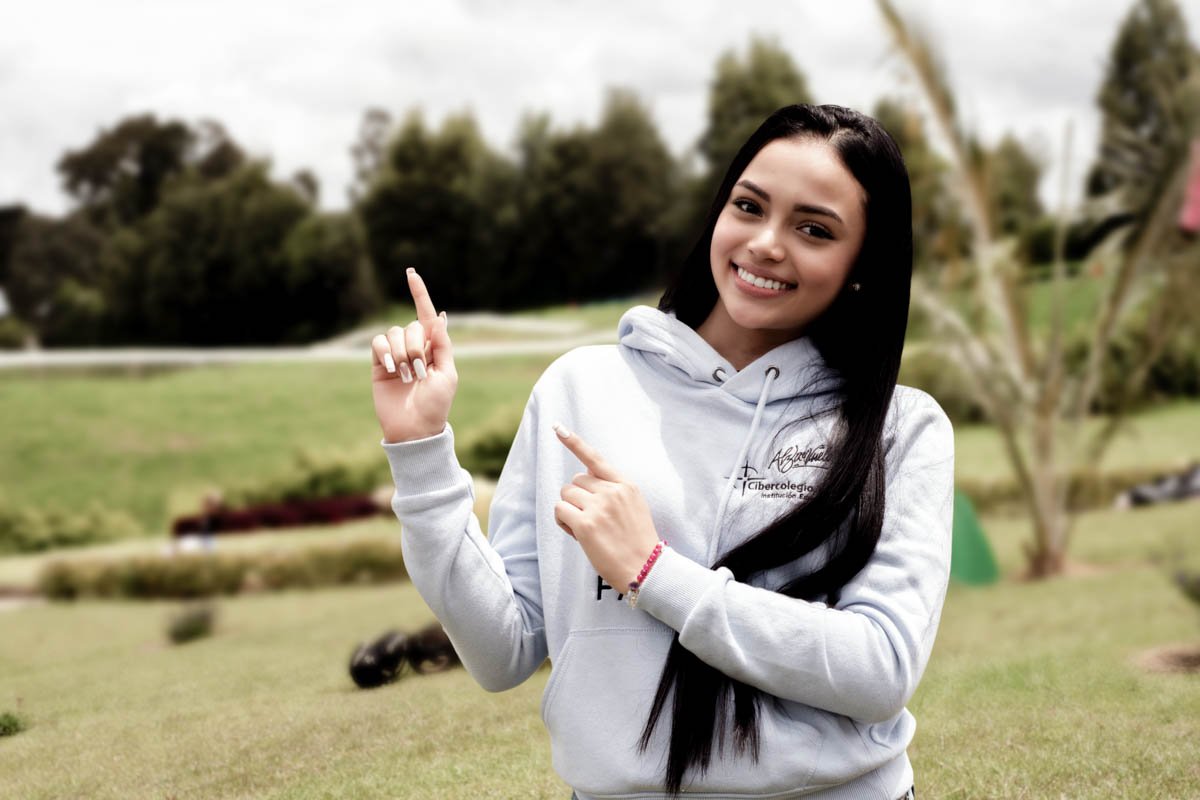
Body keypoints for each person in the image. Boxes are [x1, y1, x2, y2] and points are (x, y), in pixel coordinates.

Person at [370, 104, 952, 800]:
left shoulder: (898, 427)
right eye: (749, 205)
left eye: (814, 229)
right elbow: (503, 652)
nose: (766, 243)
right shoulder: (579, 390)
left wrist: (654, 573)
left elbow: (880, 670)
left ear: (862, 265)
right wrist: (421, 453)